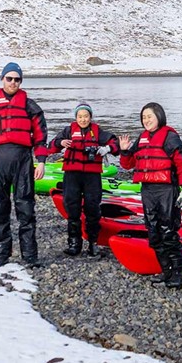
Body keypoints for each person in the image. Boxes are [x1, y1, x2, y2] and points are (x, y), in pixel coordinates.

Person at [0, 62, 48, 268]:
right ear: (2, 79)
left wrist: (41, 162)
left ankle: (30, 256)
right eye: (9, 78)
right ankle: (2, 253)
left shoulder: (31, 107)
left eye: (17, 79)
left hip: (23, 160)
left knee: (26, 208)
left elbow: (41, 137)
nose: (13, 82)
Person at [119, 102, 182, 288]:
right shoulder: (142, 138)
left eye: (149, 116)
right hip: (148, 190)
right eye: (143, 117)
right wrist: (125, 150)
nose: (146, 120)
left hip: (167, 190)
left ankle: (178, 275)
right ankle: (166, 271)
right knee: (153, 232)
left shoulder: (170, 137)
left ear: (159, 116)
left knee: (168, 232)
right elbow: (128, 165)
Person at [46, 103, 120, 257]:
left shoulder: (98, 132)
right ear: (76, 117)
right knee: (71, 207)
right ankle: (74, 242)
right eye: (80, 116)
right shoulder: (68, 131)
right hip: (72, 175)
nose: (83, 119)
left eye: (86, 116)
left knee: (93, 208)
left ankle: (93, 243)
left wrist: (106, 149)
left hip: (92, 176)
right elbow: (51, 146)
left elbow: (115, 143)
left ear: (90, 117)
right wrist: (60, 143)